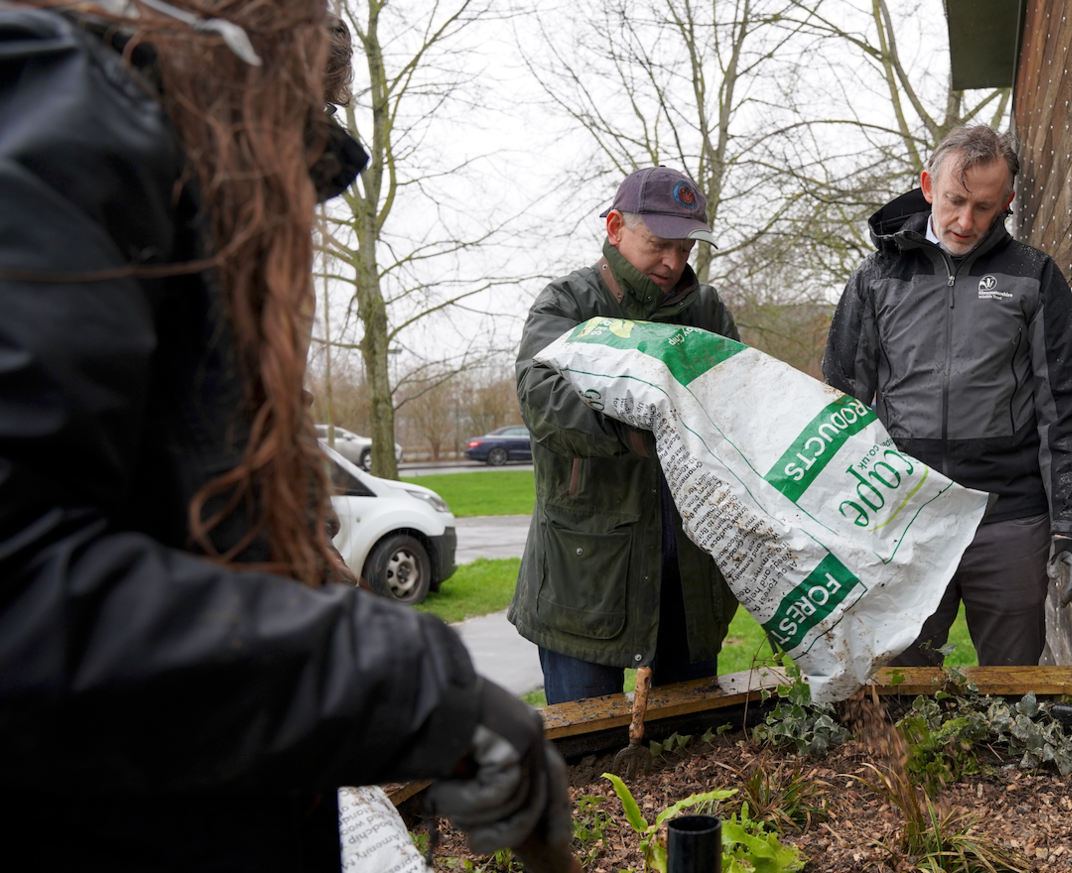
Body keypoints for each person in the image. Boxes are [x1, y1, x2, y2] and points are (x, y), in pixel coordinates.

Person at [0, 3, 572, 869]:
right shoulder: (59, 116)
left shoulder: (151, 183)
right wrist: (404, 683)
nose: (301, 193)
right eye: (305, 122)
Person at [822, 124, 1072, 668]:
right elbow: (841, 403)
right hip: (905, 519)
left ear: (1008, 202)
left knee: (1016, 690)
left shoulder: (1032, 276)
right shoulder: (878, 278)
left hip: (1009, 516)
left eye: (984, 206)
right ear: (928, 186)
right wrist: (835, 521)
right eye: (954, 201)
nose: (966, 222)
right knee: (904, 687)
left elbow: (1066, 408)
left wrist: (1070, 527)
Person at [509, 167, 741, 704]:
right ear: (614, 227)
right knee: (587, 755)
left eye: (686, 248)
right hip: (585, 583)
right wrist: (638, 430)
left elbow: (738, 411)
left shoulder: (708, 314)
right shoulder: (566, 304)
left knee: (692, 753)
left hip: (689, 582)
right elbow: (540, 398)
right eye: (659, 244)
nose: (674, 262)